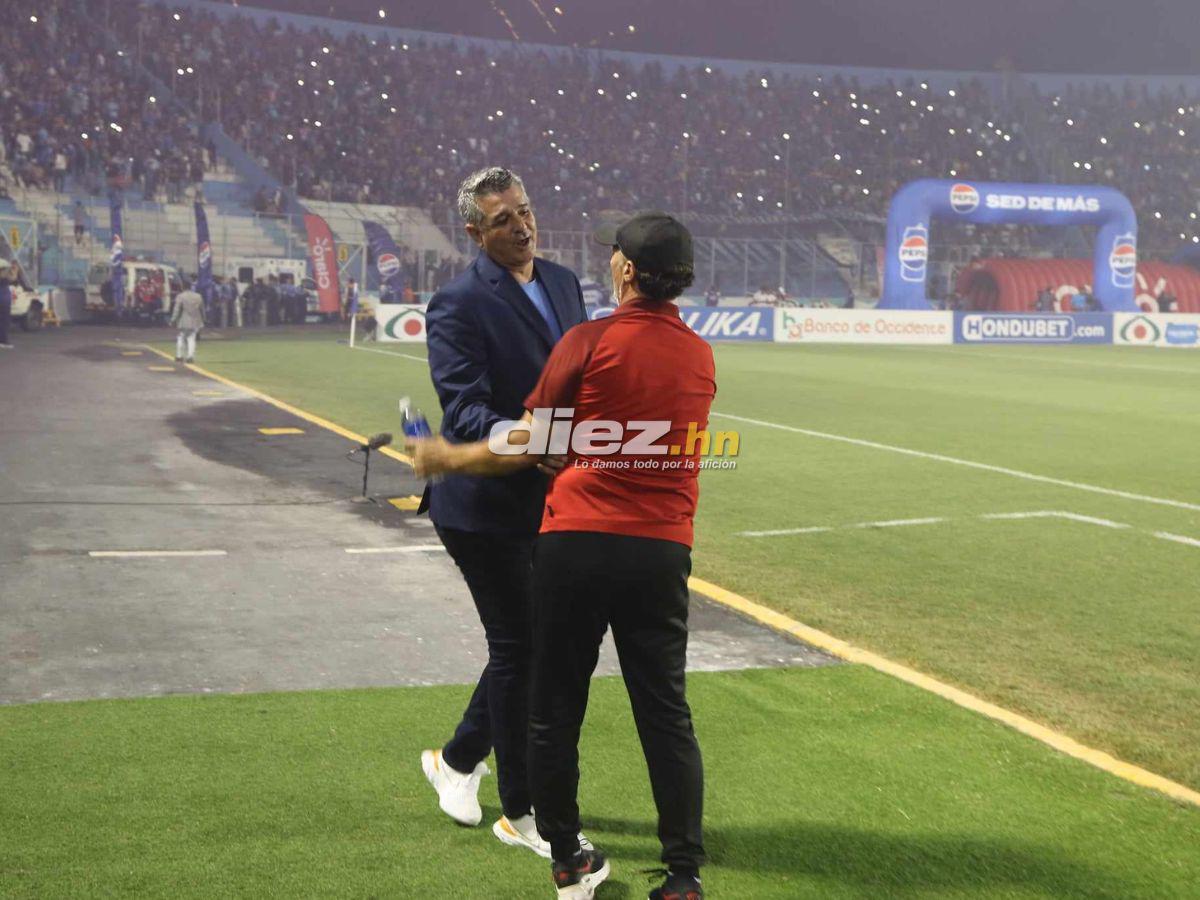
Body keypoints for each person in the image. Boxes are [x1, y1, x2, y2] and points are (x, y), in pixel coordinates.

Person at [410, 212, 713, 900]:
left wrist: (444, 456)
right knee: (665, 712)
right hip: (662, 549)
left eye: (615, 254)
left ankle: (569, 861)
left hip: (576, 542)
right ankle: (685, 875)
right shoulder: (700, 354)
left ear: (628, 271)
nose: (609, 260)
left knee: (554, 709)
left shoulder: (587, 341)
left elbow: (527, 442)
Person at [417, 166, 588, 860]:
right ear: (473, 233)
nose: (521, 226)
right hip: (480, 505)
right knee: (523, 649)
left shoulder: (564, 282)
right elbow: (463, 409)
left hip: (548, 495)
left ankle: (457, 760)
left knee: (532, 643)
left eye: (524, 211)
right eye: (502, 220)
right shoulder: (457, 302)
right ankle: (524, 811)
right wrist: (532, 440)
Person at [171, 278, 205, 363]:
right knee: (191, 339)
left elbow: (177, 310)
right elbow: (202, 309)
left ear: (182, 287)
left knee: (181, 338)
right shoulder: (198, 296)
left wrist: (173, 319)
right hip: (196, 320)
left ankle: (179, 356)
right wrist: (204, 319)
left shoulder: (180, 296)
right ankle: (190, 357)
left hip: (184, 320)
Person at [0, 259, 15, 349]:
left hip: (4, 299)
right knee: (4, 321)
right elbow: (12, 278)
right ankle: (3, 340)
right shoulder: (4, 278)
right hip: (3, 300)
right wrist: (13, 270)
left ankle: (3, 340)